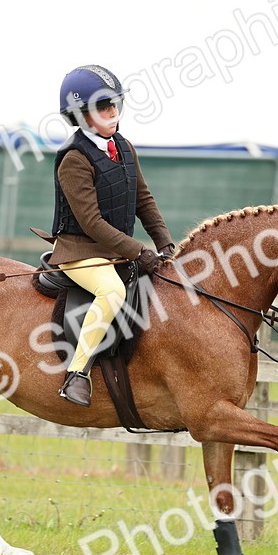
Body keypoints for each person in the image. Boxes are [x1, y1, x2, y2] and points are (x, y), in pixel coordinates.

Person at [50, 64, 175, 407]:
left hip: (114, 249)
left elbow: (143, 199)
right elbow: (91, 223)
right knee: (112, 290)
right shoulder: (74, 159)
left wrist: (164, 242)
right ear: (81, 114)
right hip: (80, 251)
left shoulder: (122, 146)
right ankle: (76, 374)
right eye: (104, 107)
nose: (113, 112)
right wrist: (139, 250)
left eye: (115, 104)